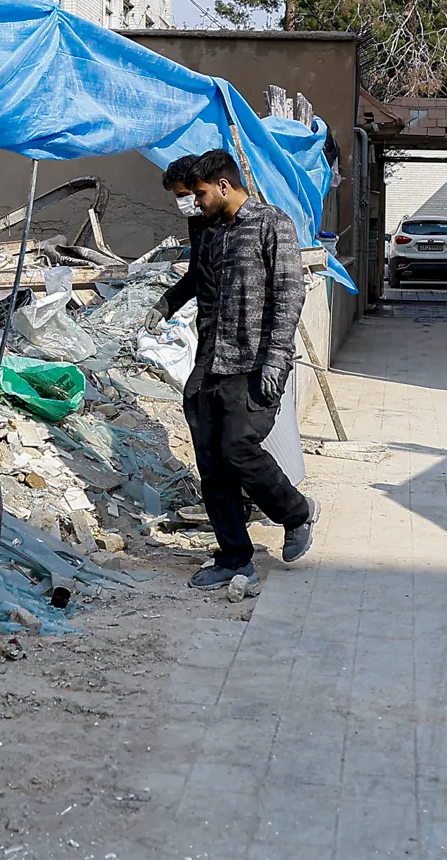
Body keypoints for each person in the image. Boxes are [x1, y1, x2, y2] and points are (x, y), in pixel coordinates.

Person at [144, 149, 318, 590]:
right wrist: (167, 303)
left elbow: (290, 294)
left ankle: (297, 512)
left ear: (223, 186)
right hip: (211, 358)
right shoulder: (208, 229)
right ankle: (235, 558)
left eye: (199, 194)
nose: (195, 203)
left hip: (254, 360)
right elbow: (195, 278)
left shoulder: (271, 224)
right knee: (211, 461)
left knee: (238, 449)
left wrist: (276, 358)